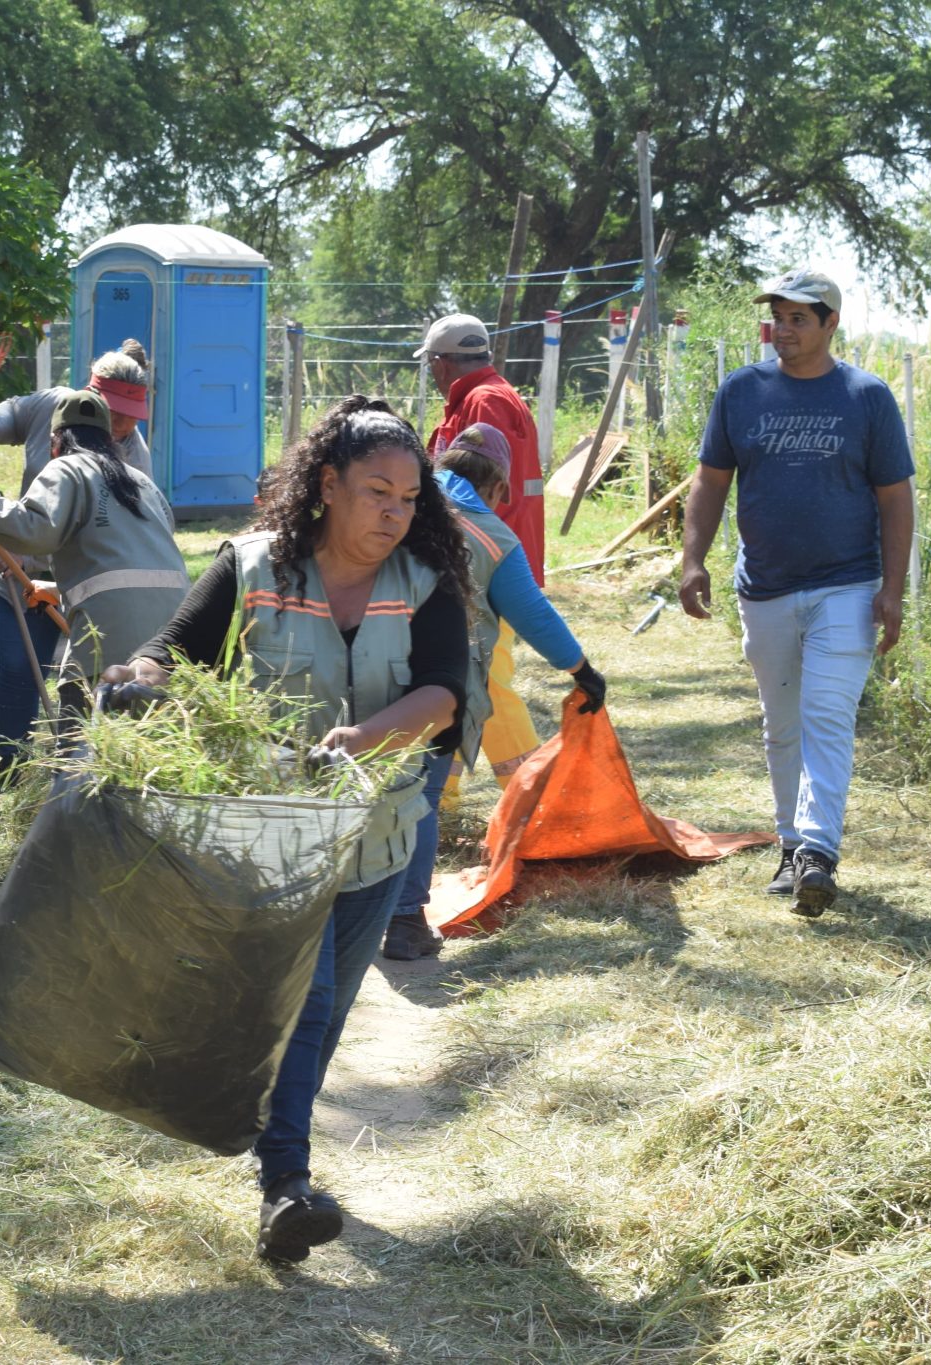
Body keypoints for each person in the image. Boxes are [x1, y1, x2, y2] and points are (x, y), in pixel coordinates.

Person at [97, 396, 472, 1265]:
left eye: (409, 498)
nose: (394, 512)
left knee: (325, 1013)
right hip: (275, 835)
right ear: (328, 485)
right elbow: (173, 651)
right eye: (377, 492)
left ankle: (271, 1135)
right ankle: (287, 1186)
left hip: (378, 838)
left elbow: (443, 695)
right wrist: (138, 676)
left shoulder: (424, 582)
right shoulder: (254, 566)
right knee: (304, 1000)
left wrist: (363, 737)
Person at [677, 268, 914, 917]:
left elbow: (895, 498)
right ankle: (790, 846)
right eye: (778, 318)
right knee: (783, 726)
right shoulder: (742, 392)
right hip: (766, 588)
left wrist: (892, 588)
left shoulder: (866, 397)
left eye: (798, 319)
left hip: (847, 583)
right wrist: (692, 560)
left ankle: (817, 852)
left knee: (827, 715)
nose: (783, 330)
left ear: (830, 324)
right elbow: (710, 482)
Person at [381, 423, 606, 960]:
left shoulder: (395, 504)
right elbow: (533, 614)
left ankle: (345, 913)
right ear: (498, 487)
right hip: (435, 688)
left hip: (359, 665)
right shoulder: (491, 537)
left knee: (363, 788)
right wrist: (580, 669)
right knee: (419, 797)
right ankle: (406, 920)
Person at [0, 343, 154, 784]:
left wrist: (23, 539)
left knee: (87, 679)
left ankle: (88, 773)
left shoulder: (134, 459)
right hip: (22, 568)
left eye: (133, 415)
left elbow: (123, 537)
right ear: (91, 396)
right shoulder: (52, 407)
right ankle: (13, 768)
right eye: (116, 412)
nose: (124, 425)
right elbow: (16, 411)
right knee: (17, 669)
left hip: (89, 582)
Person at [0, 387, 189, 689]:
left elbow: (34, 530)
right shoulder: (142, 482)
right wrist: (57, 591)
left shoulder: (66, 467)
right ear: (108, 440)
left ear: (55, 442)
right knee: (153, 715)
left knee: (79, 712)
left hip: (111, 633)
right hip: (174, 636)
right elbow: (132, 567)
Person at [418, 313, 545, 782]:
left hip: (485, 567)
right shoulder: (487, 397)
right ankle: (441, 793)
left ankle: (531, 793)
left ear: (442, 362)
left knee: (486, 679)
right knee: (456, 674)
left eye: (431, 364)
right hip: (487, 562)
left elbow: (476, 494)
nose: (432, 372)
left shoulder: (483, 403)